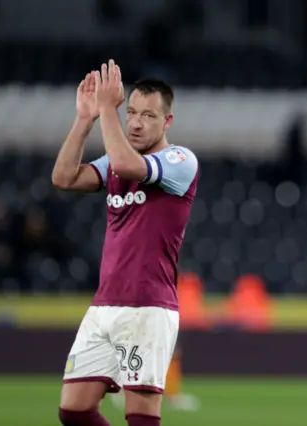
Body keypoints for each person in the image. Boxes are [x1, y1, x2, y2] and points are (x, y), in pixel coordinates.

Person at [52, 60, 199, 426]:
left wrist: (107, 109)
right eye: (130, 111)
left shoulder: (180, 161)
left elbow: (128, 165)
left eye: (148, 115)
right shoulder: (116, 161)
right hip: (104, 304)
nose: (134, 122)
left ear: (167, 122)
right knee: (73, 409)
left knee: (141, 417)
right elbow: (64, 177)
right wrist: (85, 120)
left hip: (147, 307)